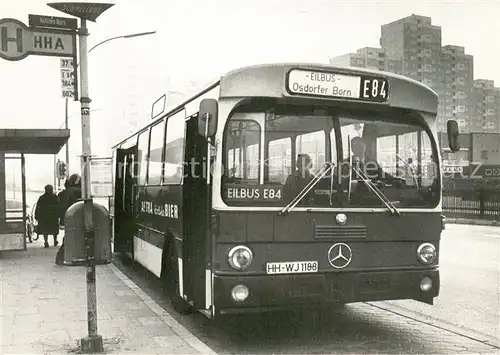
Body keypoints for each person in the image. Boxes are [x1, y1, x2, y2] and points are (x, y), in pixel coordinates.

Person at [55, 173, 82, 265]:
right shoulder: (80, 191)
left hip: (67, 218)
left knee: (69, 236)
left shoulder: (63, 193)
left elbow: (59, 208)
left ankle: (61, 257)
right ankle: (64, 257)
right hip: (78, 217)